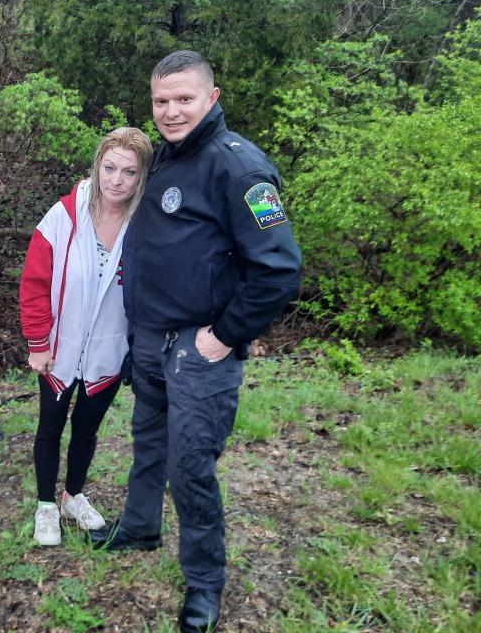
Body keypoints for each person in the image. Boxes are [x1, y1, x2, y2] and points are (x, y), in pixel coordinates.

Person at [88, 52, 302, 633]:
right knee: (149, 444)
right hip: (152, 341)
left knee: (190, 467)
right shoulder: (165, 159)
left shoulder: (238, 169)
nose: (171, 111)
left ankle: (205, 585)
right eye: (161, 101)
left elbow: (279, 269)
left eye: (184, 99)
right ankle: (139, 527)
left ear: (211, 96)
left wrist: (224, 337)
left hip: (199, 351)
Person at [19, 127, 154, 546]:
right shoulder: (62, 217)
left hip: (108, 352)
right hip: (59, 350)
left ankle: (72, 495)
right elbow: (34, 284)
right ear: (96, 167)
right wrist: (39, 345)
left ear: (141, 177)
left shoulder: (146, 228)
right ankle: (45, 506)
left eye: (128, 172)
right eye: (109, 168)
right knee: (50, 427)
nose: (116, 180)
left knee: (86, 430)